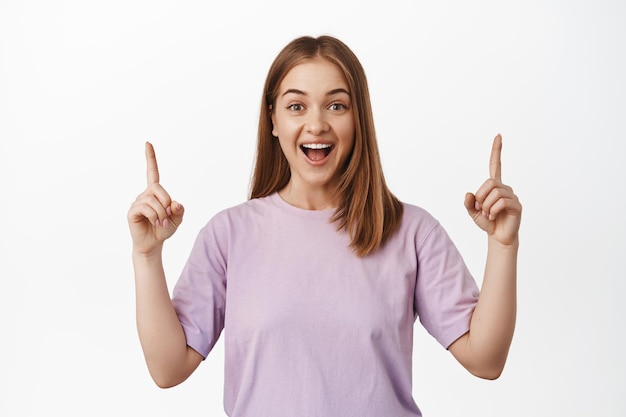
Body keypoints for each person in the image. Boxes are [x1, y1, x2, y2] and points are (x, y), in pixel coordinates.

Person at [127, 35, 522, 417]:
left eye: (336, 106)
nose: (316, 124)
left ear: (359, 118)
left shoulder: (411, 232)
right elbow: (169, 369)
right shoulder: (228, 235)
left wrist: (503, 246)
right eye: (296, 106)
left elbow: (486, 360)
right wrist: (147, 255)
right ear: (273, 121)